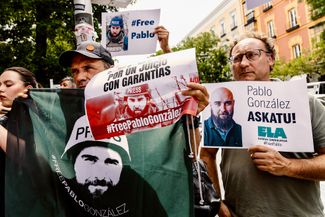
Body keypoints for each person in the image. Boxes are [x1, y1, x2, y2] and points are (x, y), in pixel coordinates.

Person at [200, 32, 325, 217]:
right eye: (237, 58)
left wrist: (287, 165)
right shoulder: (224, 103)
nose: (243, 63)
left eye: (252, 55)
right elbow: (207, 156)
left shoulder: (304, 103)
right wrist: (218, 205)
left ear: (271, 59)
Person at [0, 66, 39, 216]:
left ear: (27, 89)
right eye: (0, 85)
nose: (1, 89)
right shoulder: (5, 117)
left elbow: (26, 156)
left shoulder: (38, 119)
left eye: (8, 85)